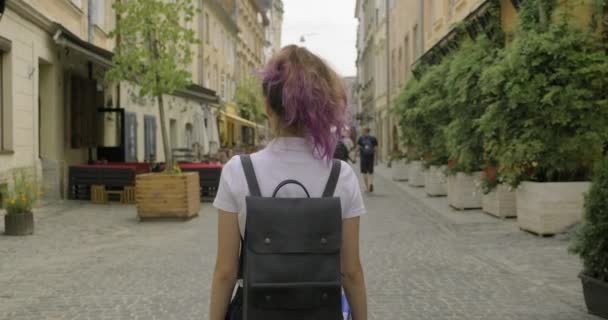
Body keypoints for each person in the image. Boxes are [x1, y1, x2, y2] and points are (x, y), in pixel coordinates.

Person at [209, 45, 368, 320]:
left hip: (255, 310)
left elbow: (226, 271)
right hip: (320, 311)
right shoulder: (340, 175)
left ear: (268, 105)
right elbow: (351, 271)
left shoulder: (238, 171)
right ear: (323, 106)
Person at [357, 128, 378, 192]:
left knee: (364, 172)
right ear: (369, 131)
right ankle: (371, 183)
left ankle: (367, 187)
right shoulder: (373, 138)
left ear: (364, 131)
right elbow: (376, 149)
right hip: (371, 157)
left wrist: (354, 157)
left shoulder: (361, 138)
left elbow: (357, 148)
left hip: (363, 157)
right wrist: (376, 159)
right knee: (371, 172)